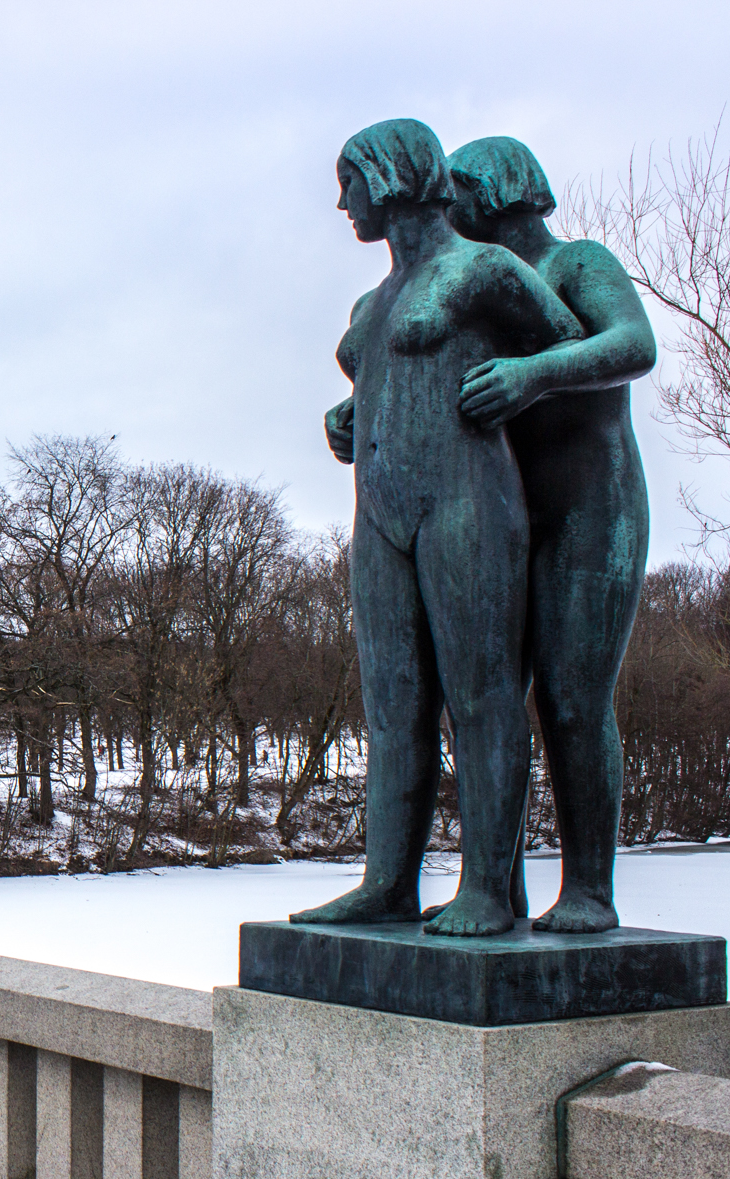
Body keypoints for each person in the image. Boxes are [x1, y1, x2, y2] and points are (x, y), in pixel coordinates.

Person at [292, 119, 581, 937]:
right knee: (391, 705)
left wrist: (520, 382)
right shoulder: (371, 299)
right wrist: (349, 412)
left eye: (349, 182)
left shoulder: (480, 268)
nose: (341, 202)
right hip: (379, 512)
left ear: (388, 177)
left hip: (467, 502)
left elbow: (570, 349)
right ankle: (386, 881)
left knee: (482, 696)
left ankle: (488, 886)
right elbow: (383, 373)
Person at [438, 135, 656, 934]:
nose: (444, 212)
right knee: (487, 701)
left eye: (453, 194)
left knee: (571, 698)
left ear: (494, 191)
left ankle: (590, 888)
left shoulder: (576, 263)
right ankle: (493, 889)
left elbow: (632, 345)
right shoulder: (482, 293)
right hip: (504, 516)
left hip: (593, 511)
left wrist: (532, 373)